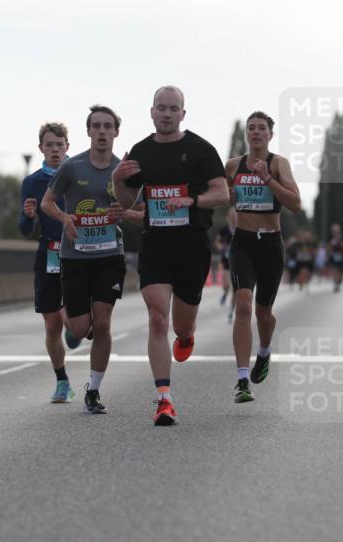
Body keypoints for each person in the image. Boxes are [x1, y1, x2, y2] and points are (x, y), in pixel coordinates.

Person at [112, 86, 228, 425]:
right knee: (158, 319)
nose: (166, 113)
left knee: (181, 323)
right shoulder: (140, 151)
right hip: (156, 245)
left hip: (192, 246)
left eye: (173, 108)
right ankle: (164, 398)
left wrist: (193, 200)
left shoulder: (201, 149)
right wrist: (119, 180)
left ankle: (188, 335)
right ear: (151, 112)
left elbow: (222, 194)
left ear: (182, 114)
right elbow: (128, 201)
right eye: (161, 108)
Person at [41, 105, 143, 414]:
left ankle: (94, 391)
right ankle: (75, 325)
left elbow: (143, 214)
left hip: (109, 256)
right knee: (80, 325)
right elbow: (47, 203)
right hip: (74, 256)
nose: (101, 131)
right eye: (96, 126)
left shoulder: (123, 171)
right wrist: (65, 218)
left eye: (107, 126)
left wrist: (123, 213)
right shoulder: (73, 167)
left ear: (116, 132)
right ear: (88, 131)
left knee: (102, 324)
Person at [224, 111, 301, 402]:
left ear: (270, 134)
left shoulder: (278, 163)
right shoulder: (233, 165)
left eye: (261, 129)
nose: (256, 133)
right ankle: (243, 380)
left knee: (263, 313)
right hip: (242, 243)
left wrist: (268, 179)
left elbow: (294, 203)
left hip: (270, 245)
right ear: (247, 134)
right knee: (243, 306)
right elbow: (218, 195)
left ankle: (265, 351)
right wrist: (227, 196)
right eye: (251, 128)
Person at [19, 121, 74, 404]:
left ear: (68, 147)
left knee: (75, 324)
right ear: (41, 148)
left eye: (59, 145)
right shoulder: (32, 182)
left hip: (80, 253)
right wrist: (28, 216)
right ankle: (62, 381)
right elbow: (24, 230)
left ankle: (77, 330)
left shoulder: (78, 175)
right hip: (48, 256)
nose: (55, 149)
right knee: (52, 324)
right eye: (49, 145)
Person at [215, 207, 237, 317]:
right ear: (228, 218)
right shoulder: (224, 230)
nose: (233, 219)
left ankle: (231, 311)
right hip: (226, 261)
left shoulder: (241, 230)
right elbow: (217, 242)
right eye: (231, 217)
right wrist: (221, 247)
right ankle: (224, 293)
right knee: (226, 285)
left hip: (238, 262)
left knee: (235, 289)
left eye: (235, 216)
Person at [327, 223, 343, 293]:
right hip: (334, 257)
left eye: (336, 231)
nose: (335, 232)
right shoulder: (331, 238)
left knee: (341, 272)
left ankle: (339, 281)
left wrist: (342, 245)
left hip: (342, 257)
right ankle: (336, 284)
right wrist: (330, 253)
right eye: (333, 231)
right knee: (335, 270)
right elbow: (329, 247)